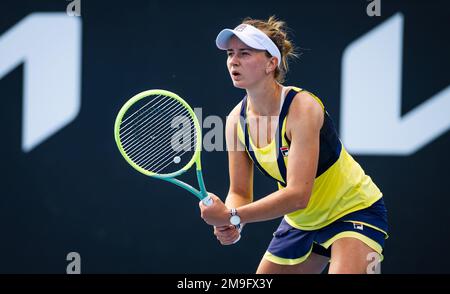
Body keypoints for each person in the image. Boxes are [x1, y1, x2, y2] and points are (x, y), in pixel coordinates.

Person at [199, 16, 388, 274]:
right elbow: (240, 192)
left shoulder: (302, 108)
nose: (233, 60)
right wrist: (231, 223)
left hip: (352, 210)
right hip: (302, 222)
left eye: (245, 53)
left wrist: (233, 215)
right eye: (231, 53)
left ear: (271, 63)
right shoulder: (235, 122)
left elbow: (299, 195)